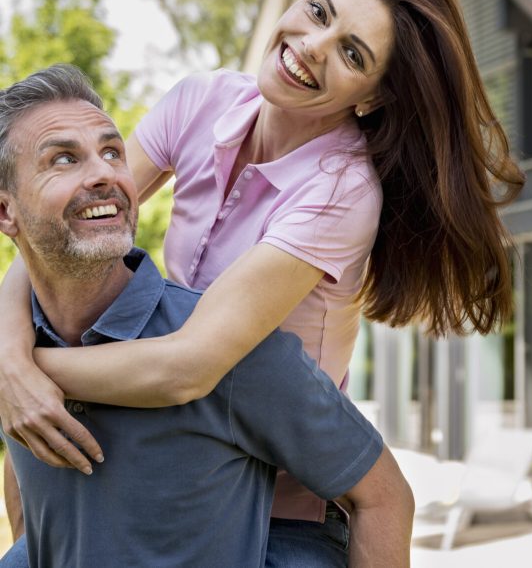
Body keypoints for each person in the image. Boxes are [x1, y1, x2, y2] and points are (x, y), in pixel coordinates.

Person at [0, 0, 524, 565]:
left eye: (352, 53)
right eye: (318, 11)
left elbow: (189, 367)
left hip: (287, 502)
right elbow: (54, 231)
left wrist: (28, 378)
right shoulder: (202, 102)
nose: (313, 46)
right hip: (193, 454)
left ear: (374, 98)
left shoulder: (341, 190)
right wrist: (10, 359)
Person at [0, 65, 413, 568]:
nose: (106, 172)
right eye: (63, 158)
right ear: (6, 212)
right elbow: (31, 502)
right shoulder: (15, 347)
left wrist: (23, 372)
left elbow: (385, 497)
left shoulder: (241, 354)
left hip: (296, 512)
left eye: (113, 152)